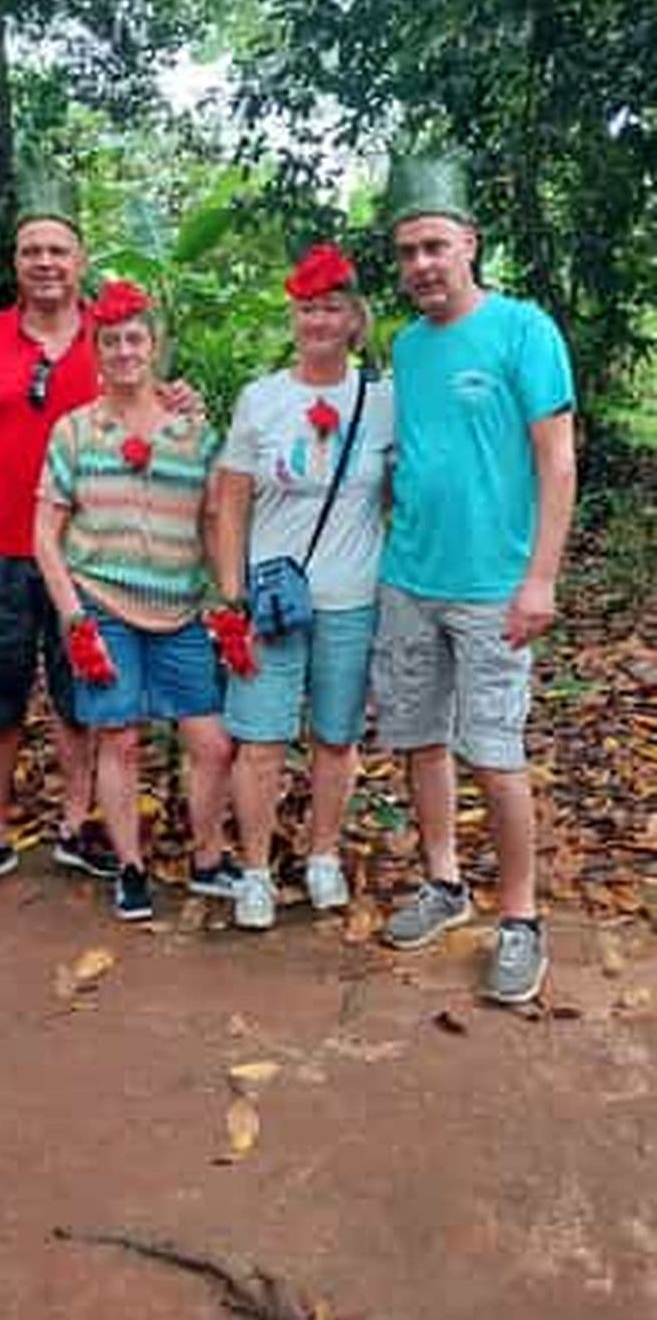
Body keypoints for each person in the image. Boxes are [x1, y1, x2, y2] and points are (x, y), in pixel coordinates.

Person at [371, 155, 576, 1004]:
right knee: (420, 739)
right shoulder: (406, 347)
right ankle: (444, 881)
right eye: (408, 251)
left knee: (494, 752)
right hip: (409, 576)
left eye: (434, 246)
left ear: (469, 245)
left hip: (495, 585)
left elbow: (557, 457)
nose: (421, 263)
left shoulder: (525, 331)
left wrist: (540, 579)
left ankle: (520, 918)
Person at [0, 179, 115, 900]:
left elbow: (149, 420)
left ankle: (77, 826)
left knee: (80, 700)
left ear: (80, 257)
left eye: (58, 249)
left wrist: (180, 401)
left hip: (89, 556)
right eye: (31, 250)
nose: (45, 262)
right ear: (16, 261)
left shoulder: (114, 333)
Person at [34, 278, 238, 920]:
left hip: (179, 611)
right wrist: (73, 617)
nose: (124, 351)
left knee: (212, 742)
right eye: (111, 341)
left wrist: (229, 600)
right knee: (118, 739)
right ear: (96, 350)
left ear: (155, 346)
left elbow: (213, 522)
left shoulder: (194, 432)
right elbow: (44, 533)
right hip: (100, 603)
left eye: (135, 339)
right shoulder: (74, 431)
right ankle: (130, 868)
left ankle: (208, 859)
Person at [215, 242, 395, 931]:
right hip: (270, 601)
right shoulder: (262, 399)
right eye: (307, 308)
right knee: (259, 740)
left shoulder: (382, 400)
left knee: (335, 736)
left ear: (355, 319)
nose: (318, 321)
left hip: (352, 597)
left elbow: (407, 486)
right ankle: (256, 869)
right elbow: (230, 499)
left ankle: (323, 853)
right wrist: (233, 593)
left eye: (332, 308)